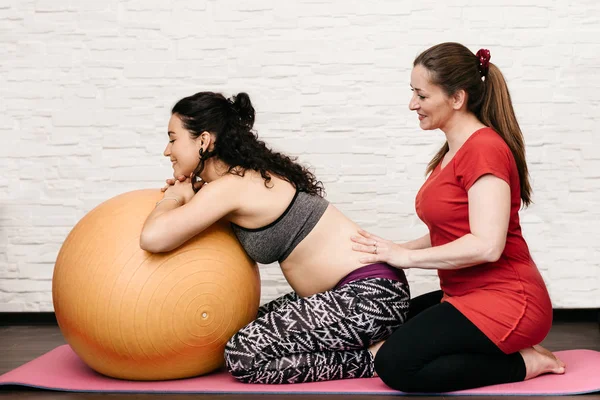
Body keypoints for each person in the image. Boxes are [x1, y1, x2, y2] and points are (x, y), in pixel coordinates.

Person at [139, 91, 410, 384]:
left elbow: (153, 238)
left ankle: (373, 357)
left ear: (203, 141)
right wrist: (192, 193)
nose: (168, 151)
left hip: (368, 299)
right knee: (231, 328)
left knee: (241, 355)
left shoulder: (231, 187)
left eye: (173, 138)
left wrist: (174, 198)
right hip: (358, 293)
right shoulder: (242, 179)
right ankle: (368, 343)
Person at [350, 42, 566, 393]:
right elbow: (451, 231)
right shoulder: (451, 151)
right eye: (412, 93)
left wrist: (407, 257)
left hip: (509, 300)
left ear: (456, 98)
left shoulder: (484, 150)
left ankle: (524, 362)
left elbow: (487, 246)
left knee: (396, 365)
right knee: (379, 323)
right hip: (463, 293)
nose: (412, 104)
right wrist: (391, 249)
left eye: (421, 95)